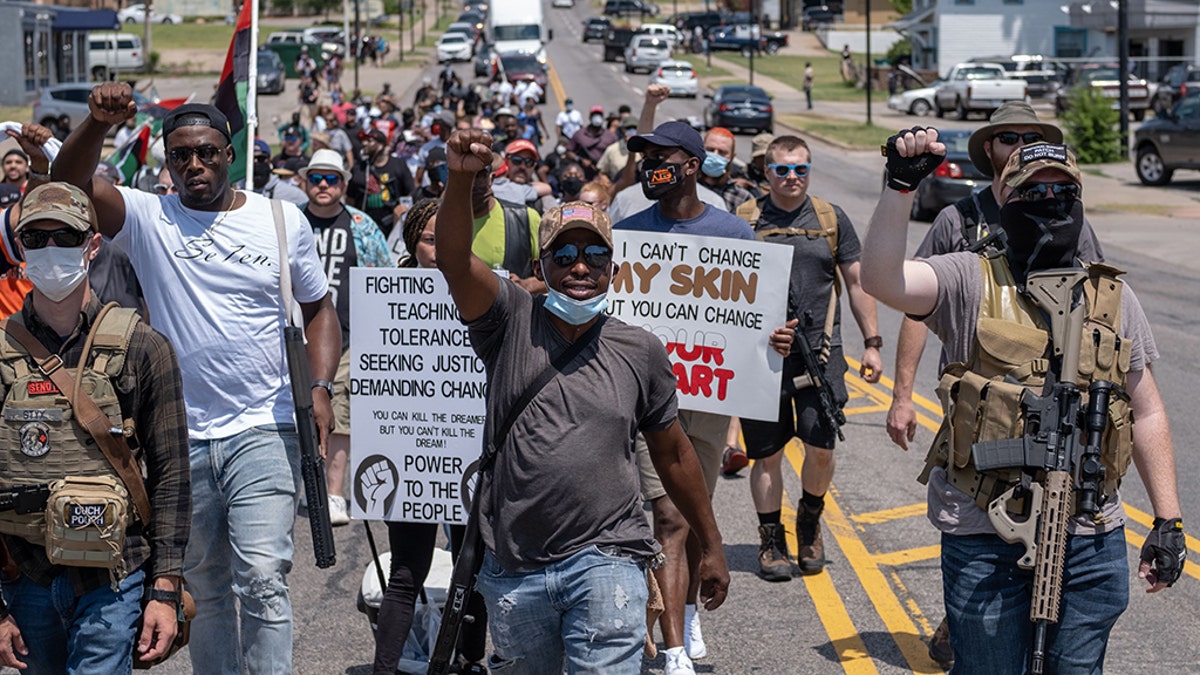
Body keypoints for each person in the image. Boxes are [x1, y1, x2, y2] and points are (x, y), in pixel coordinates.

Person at [862, 128, 1186, 674]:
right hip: (986, 536)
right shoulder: (969, 277)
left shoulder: (1111, 297)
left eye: (1064, 193)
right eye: (1034, 193)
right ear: (1005, 201)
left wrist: (1168, 520)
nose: (1050, 204)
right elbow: (882, 279)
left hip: (1090, 535)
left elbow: (1147, 410)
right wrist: (898, 189)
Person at [52, 89, 341, 675]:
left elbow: (319, 307)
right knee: (204, 586)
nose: (194, 166)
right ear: (167, 162)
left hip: (268, 424)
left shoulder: (281, 221)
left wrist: (319, 386)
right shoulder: (150, 219)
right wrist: (98, 123)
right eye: (180, 156)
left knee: (262, 575)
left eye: (207, 153)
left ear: (228, 154)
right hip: (181, 435)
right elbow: (69, 188)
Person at [437, 128, 729, 673]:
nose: (580, 265)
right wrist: (460, 178)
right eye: (564, 253)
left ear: (612, 268)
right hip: (514, 563)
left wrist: (710, 544)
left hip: (609, 555)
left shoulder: (640, 349)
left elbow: (673, 454)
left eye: (595, 254)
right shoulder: (507, 319)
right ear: (542, 264)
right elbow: (454, 259)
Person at [882, 102, 1104, 667]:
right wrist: (902, 394)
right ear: (991, 151)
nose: (1021, 146)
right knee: (984, 559)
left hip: (1055, 420)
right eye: (1010, 138)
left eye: (1034, 137)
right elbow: (909, 305)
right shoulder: (960, 221)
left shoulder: (1069, 216)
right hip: (985, 415)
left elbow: (1096, 310)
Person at [0, 182, 190, 674]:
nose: (49, 250)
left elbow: (171, 476)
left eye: (64, 235)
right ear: (19, 248)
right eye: (35, 239)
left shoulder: (144, 347)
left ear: (92, 243)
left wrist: (165, 590)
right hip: (25, 575)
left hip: (115, 576)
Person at [613, 120, 753, 675]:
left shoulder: (734, 234)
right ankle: (673, 648)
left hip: (710, 395)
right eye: (644, 160)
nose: (650, 169)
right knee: (668, 512)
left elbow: (751, 318)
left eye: (661, 158)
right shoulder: (629, 230)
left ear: (692, 166)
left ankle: (687, 609)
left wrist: (775, 336)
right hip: (651, 402)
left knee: (696, 511)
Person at [735, 134, 883, 580]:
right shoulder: (743, 220)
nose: (792, 177)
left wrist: (873, 342)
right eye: (782, 169)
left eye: (801, 168)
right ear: (767, 172)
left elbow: (857, 283)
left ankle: (809, 522)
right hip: (761, 356)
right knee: (767, 455)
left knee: (820, 449)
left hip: (821, 353)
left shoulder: (830, 218)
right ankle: (771, 540)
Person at [372, 198, 489, 675]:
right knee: (405, 572)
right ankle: (386, 669)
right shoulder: (387, 294)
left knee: (474, 570)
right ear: (410, 243)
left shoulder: (482, 291)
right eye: (430, 240)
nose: (440, 250)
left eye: (450, 240)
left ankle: (470, 660)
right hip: (409, 449)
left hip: (468, 448)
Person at [299, 149, 392, 527]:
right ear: (304, 182)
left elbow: (385, 276)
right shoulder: (292, 222)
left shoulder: (362, 225)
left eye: (331, 179)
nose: (323, 185)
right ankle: (296, 486)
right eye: (316, 178)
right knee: (293, 417)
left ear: (343, 183)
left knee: (341, 416)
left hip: (348, 337)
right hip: (290, 337)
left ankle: (334, 493)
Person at [468, 153, 544, 293]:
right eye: (464, 176)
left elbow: (558, 274)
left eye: (479, 176)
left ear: (491, 179)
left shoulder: (525, 218)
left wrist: (527, 285)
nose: (472, 183)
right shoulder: (436, 222)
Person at [347, 128, 416, 238]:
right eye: (364, 140)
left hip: (392, 225)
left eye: (370, 141)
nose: (365, 143)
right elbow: (350, 198)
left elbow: (411, 191)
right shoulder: (359, 168)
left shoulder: (398, 165)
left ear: (381, 145)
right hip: (364, 226)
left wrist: (402, 212)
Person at [698, 127, 755, 212]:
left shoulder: (742, 197)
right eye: (710, 150)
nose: (715, 155)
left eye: (722, 152)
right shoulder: (685, 186)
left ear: (732, 157)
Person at [492, 139, 553, 209]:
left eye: (529, 162)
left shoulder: (543, 201)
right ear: (505, 161)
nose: (523, 167)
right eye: (517, 160)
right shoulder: (489, 188)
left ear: (534, 166)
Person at [567, 106, 619, 178]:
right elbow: (569, 151)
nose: (597, 117)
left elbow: (616, 154)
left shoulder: (611, 136)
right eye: (594, 115)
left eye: (599, 115)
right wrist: (580, 160)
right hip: (582, 174)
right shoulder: (579, 134)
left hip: (603, 175)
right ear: (590, 117)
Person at [596, 116, 639, 181]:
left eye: (634, 128)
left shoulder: (644, 149)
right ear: (622, 129)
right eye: (628, 128)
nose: (631, 131)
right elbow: (602, 172)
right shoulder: (612, 149)